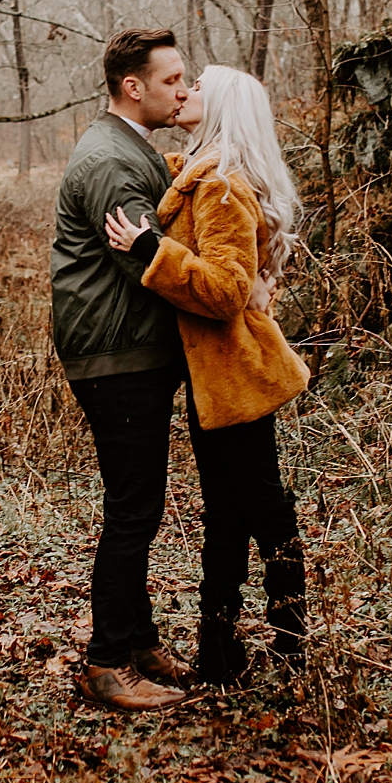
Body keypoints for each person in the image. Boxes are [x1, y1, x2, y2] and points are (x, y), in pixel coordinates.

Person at [105, 64, 310, 684]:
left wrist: (150, 250)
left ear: (219, 107)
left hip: (234, 375)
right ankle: (222, 651)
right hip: (217, 377)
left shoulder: (221, 187)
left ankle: (285, 643)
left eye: (197, 87)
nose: (185, 91)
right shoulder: (203, 174)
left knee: (262, 515)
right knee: (230, 511)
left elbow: (224, 290)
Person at [50, 28, 198, 712]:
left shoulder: (127, 147)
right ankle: (106, 661)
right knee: (132, 510)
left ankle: (136, 640)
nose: (183, 90)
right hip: (118, 356)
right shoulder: (110, 161)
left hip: (129, 351)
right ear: (132, 86)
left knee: (137, 503)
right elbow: (152, 260)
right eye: (172, 80)